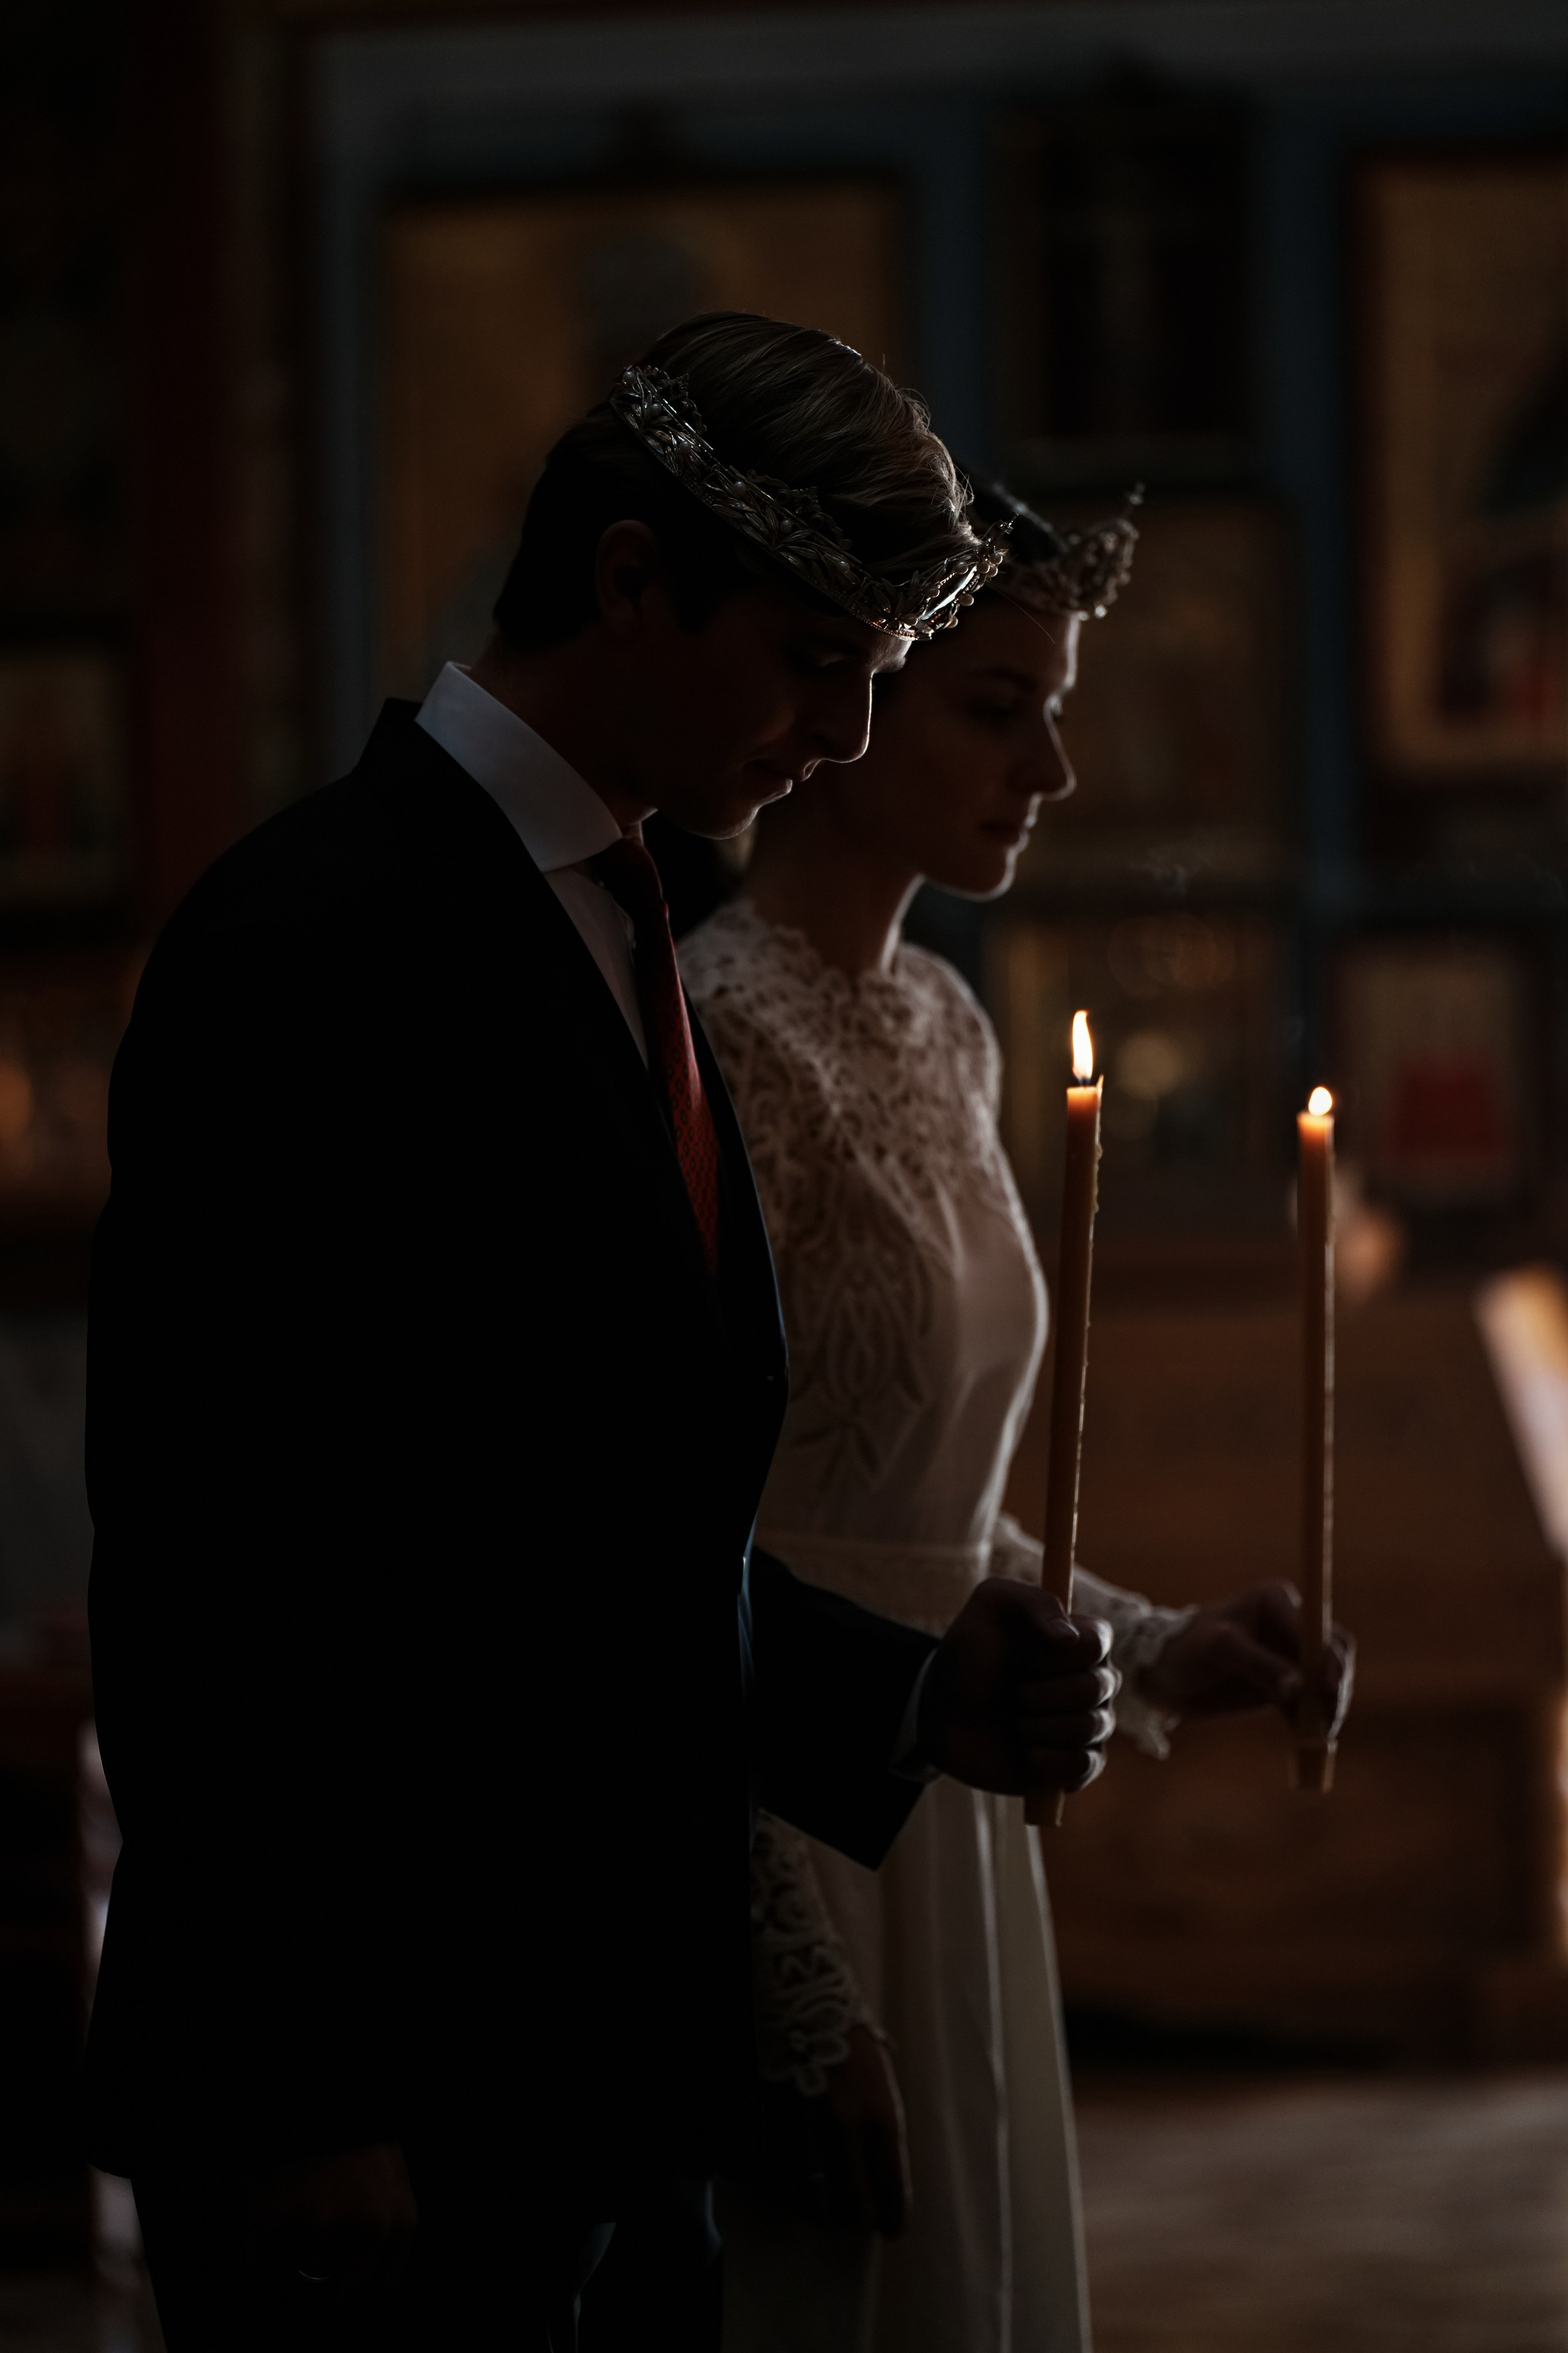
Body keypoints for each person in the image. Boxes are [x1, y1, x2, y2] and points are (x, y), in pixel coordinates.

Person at [83, 320, 1125, 2352]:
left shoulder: (622, 913)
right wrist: (313, 2092)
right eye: (814, 656)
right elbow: (224, 1559)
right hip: (392, 2092)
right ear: (635, 580)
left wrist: (909, 1694)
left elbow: (590, 1527)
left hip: (614, 2073)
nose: (844, 729)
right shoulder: (313, 934)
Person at [679, 478, 1354, 2353]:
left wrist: (1151, 1646)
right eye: (998, 704)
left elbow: (928, 1507)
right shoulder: (711, 1033)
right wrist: (783, 1981)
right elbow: (678, 1536)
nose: (1053, 764)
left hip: (954, 1815)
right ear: (848, 693)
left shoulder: (953, 1026)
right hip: (775, 1803)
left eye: (1057, 704)